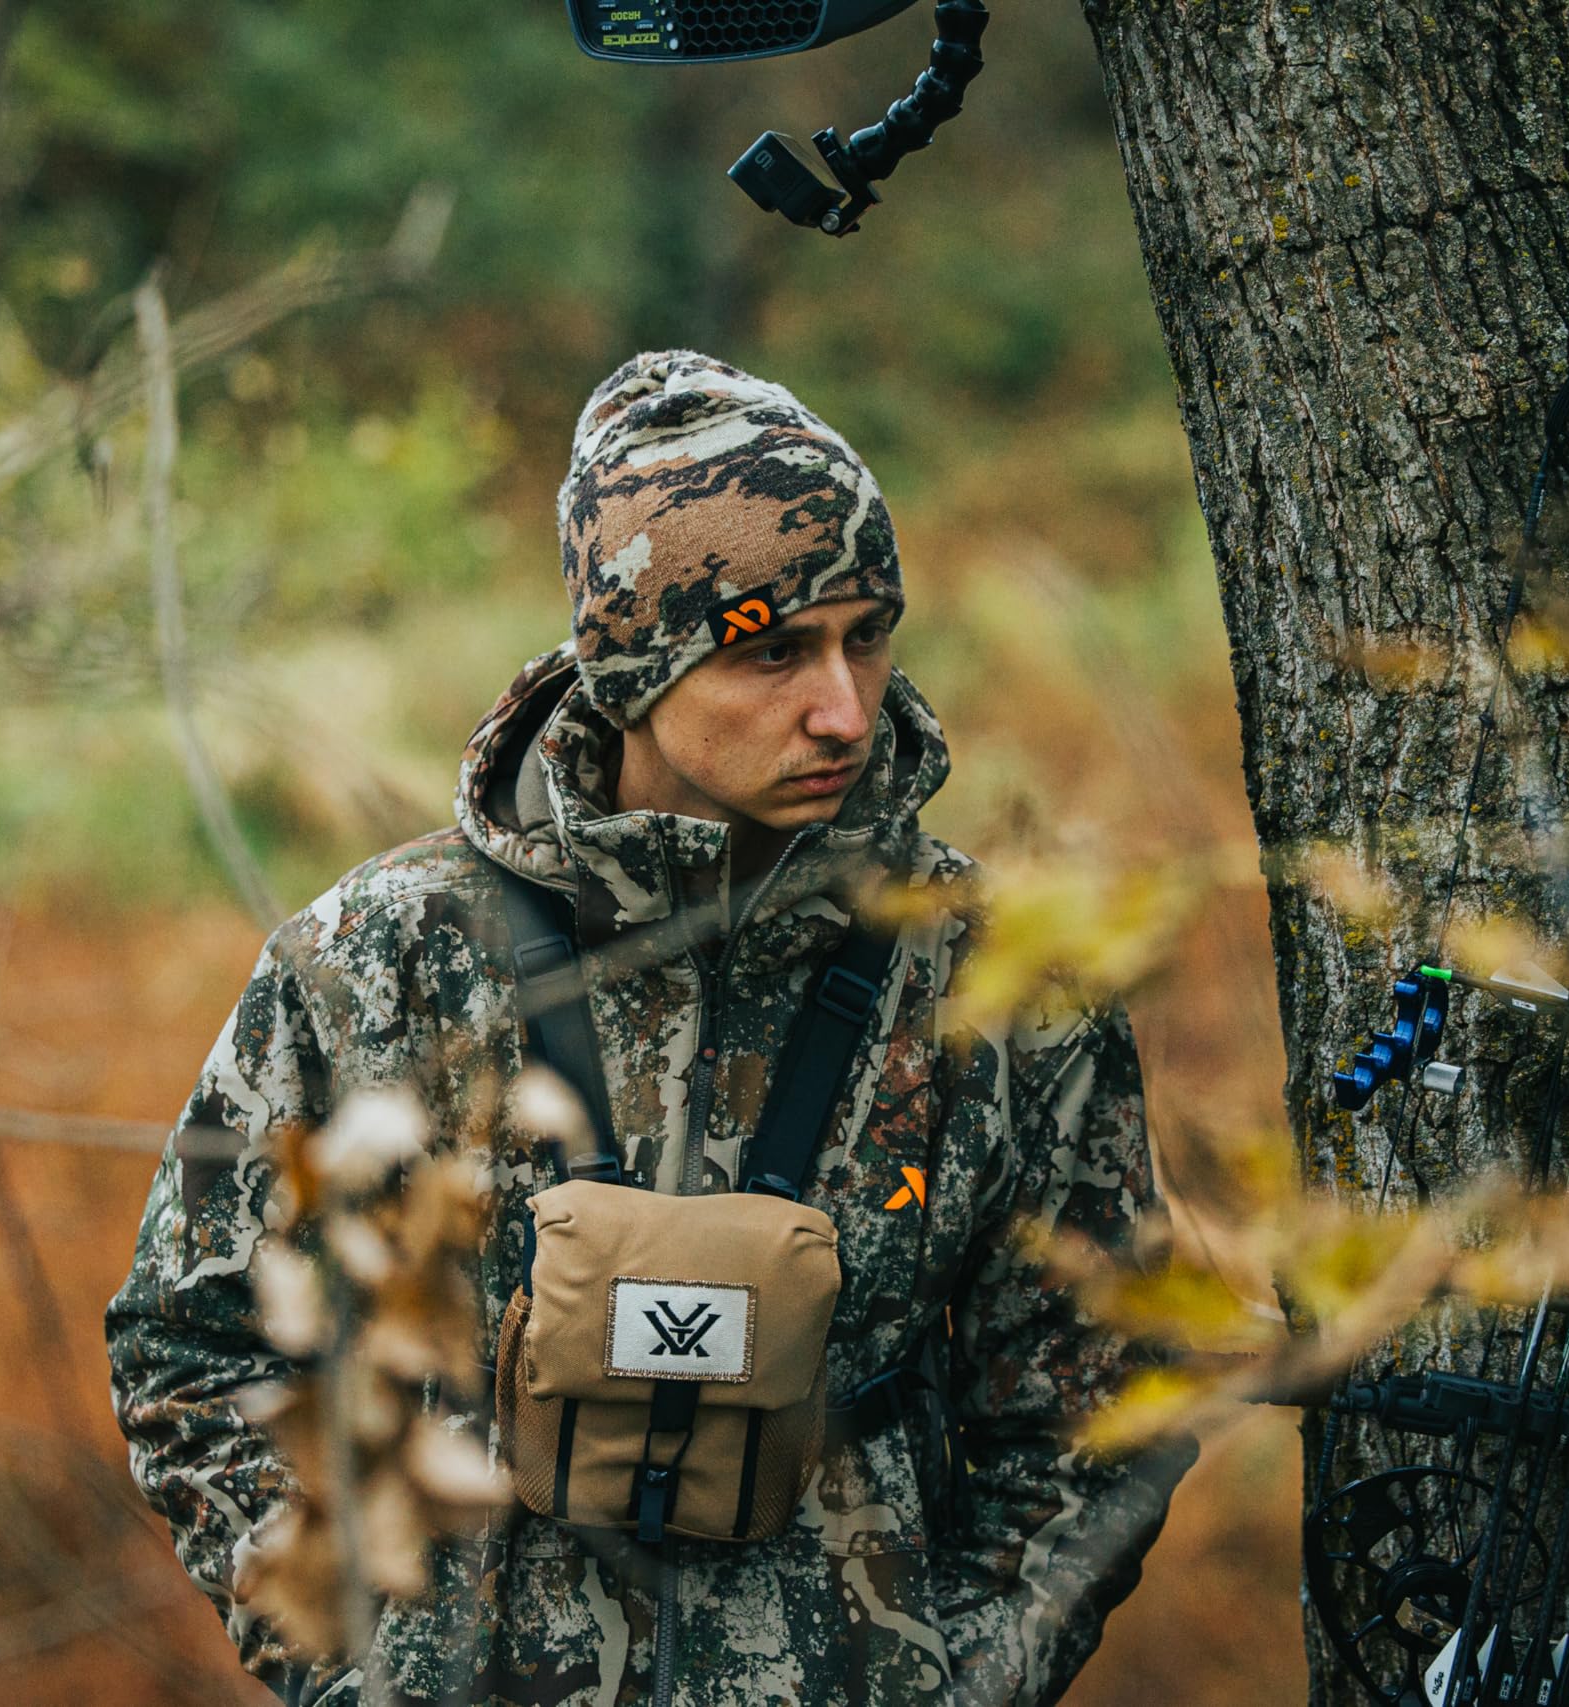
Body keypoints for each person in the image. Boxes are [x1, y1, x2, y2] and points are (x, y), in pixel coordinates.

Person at [107, 350, 1190, 1704]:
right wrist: (361, 1678)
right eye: (775, 648)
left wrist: (952, 1685)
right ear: (629, 666)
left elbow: (1104, 1403)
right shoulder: (380, 959)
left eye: (867, 635)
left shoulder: (1001, 982)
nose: (845, 709)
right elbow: (194, 1343)